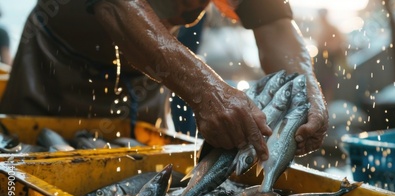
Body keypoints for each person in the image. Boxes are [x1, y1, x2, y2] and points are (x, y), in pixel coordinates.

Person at [0, 0, 329, 161]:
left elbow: (274, 24)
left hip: (148, 78)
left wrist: (304, 89)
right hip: (54, 65)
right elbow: (116, 6)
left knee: (143, 176)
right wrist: (206, 90)